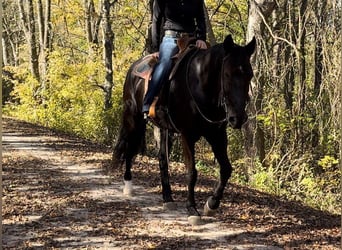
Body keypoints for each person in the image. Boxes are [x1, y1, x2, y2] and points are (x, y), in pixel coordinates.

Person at [142, 0, 207, 118]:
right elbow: (156, 20)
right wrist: (155, 48)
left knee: (209, 63)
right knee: (165, 63)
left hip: (192, 39)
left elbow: (201, 18)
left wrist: (201, 38)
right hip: (171, 38)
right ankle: (148, 102)